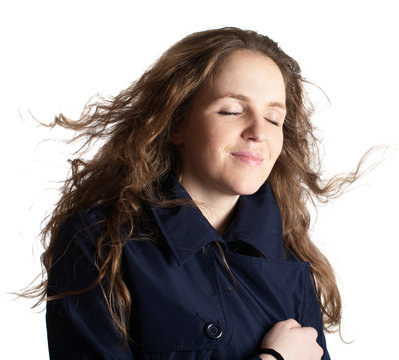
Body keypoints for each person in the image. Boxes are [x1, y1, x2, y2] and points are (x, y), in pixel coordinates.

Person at [26, 27, 371, 360]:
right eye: (232, 111)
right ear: (176, 122)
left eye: (273, 118)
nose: (257, 132)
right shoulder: (100, 240)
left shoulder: (289, 251)